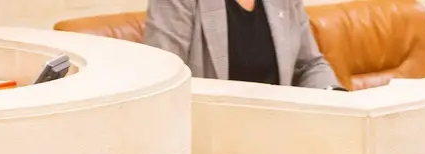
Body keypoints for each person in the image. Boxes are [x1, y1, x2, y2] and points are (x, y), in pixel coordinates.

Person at [144, 0, 341, 89]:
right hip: (210, 137)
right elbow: (163, 80)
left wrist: (335, 96)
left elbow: (309, 65)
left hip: (278, 131)